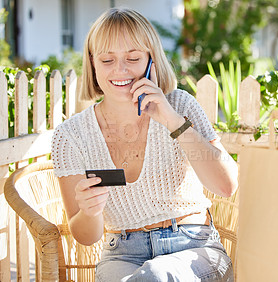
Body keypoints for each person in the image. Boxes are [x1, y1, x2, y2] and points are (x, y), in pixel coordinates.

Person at [51, 7, 238, 282]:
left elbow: (226, 185)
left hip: (194, 246)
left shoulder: (180, 105)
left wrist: (173, 121)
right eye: (107, 60)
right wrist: (90, 211)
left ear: (152, 60)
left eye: (133, 58)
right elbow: (85, 236)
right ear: (92, 64)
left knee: (155, 275)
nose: (120, 70)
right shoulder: (71, 136)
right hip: (122, 254)